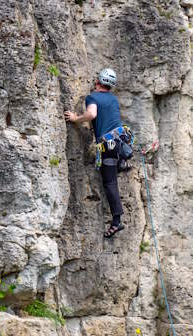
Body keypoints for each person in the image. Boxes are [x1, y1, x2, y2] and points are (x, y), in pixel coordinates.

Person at [64, 68, 128, 239]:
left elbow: (92, 114)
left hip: (108, 144)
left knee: (110, 182)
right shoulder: (113, 99)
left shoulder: (93, 97)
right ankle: (121, 162)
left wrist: (75, 118)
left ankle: (116, 221)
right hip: (120, 142)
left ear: (98, 81)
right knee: (112, 171)